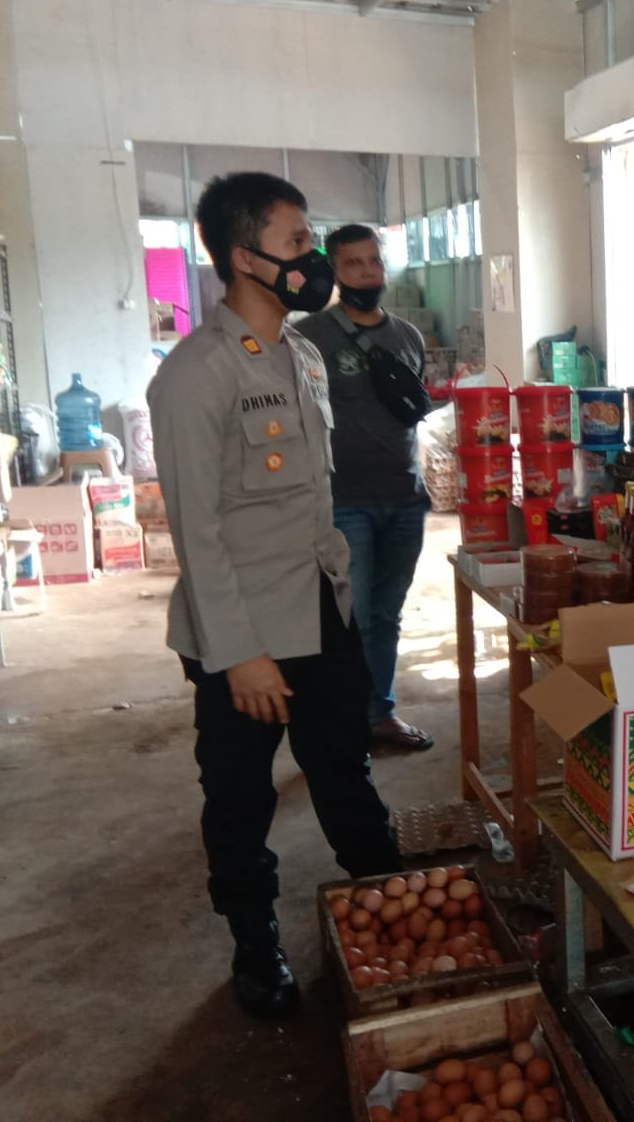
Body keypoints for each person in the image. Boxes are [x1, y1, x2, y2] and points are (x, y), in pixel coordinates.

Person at [147, 173, 402, 1020]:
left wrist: (342, 606)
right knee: (241, 795)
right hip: (242, 631)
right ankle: (257, 947)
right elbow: (198, 530)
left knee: (342, 767)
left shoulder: (301, 354)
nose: (315, 259)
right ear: (242, 256)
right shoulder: (194, 375)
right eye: (297, 245)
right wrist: (239, 654)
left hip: (318, 606)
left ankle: (395, 909)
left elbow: (311, 501)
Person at [296, 225, 434, 753]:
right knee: (350, 618)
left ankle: (379, 713)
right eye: (353, 263)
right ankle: (343, 723)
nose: (367, 273)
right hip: (344, 500)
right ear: (334, 271)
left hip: (405, 496)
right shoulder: (309, 336)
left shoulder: (406, 336)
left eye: (373, 262)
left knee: (386, 614)